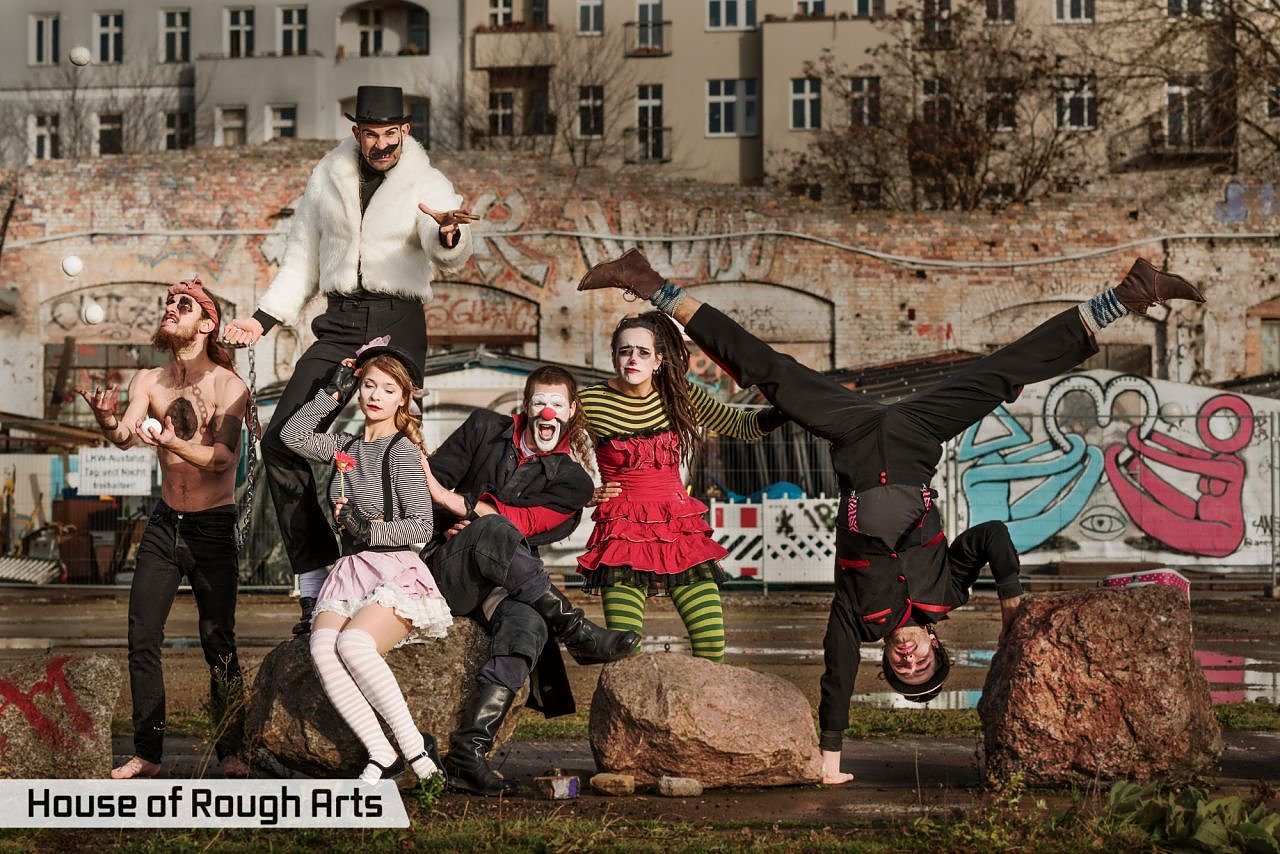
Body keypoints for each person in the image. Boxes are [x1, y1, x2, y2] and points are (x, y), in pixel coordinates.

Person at [579, 248, 1206, 784]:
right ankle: (1129, 294)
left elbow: (836, 675)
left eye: (901, 671)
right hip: (914, 436)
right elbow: (992, 537)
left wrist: (829, 760)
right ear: (935, 647)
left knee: (767, 369)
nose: (909, 662)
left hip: (852, 433)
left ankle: (646, 281)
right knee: (1003, 372)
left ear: (887, 660)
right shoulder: (949, 591)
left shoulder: (859, 618)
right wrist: (1011, 608)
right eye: (922, 667)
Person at [221, 85, 476, 634]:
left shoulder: (426, 181)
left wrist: (448, 233)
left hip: (397, 317)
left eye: (391, 134)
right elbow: (300, 260)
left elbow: (441, 238)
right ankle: (316, 583)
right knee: (282, 440)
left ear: (405, 130)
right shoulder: (327, 176)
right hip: (338, 322)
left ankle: (407, 582)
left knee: (393, 450)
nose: (382, 145)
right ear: (357, 132)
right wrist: (261, 321)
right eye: (372, 134)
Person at [421, 365, 640, 795]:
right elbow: (426, 487)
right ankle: (577, 632)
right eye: (540, 401)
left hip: (506, 583)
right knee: (493, 529)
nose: (547, 411)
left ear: (571, 411)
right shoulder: (484, 428)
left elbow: (521, 523)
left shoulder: (573, 482)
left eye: (557, 403)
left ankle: (468, 754)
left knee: (528, 624)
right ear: (526, 405)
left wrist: (466, 509)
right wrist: (448, 515)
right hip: (446, 566)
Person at [76, 278, 251, 779]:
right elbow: (126, 436)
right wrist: (107, 420)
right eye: (169, 302)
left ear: (208, 324)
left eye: (184, 304)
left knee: (218, 641)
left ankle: (232, 750)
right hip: (164, 523)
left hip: (212, 526)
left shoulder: (229, 387)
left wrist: (172, 443)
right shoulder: (148, 381)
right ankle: (148, 753)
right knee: (142, 636)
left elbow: (223, 460)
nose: (171, 308)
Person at [280, 338, 452, 785]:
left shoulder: (402, 451)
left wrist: (366, 527)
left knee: (354, 645)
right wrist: (335, 386)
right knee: (323, 648)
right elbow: (292, 435)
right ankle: (381, 753)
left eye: (388, 389)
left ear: (404, 398)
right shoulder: (347, 447)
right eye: (369, 385)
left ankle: (416, 752)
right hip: (351, 571)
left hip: (394, 568)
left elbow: (421, 527)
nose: (376, 396)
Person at [574, 312, 786, 662]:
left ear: (658, 360)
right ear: (613, 357)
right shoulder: (589, 402)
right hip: (622, 532)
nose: (633, 359)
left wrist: (789, 407)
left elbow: (741, 425)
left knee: (711, 643)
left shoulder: (680, 395)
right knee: (626, 651)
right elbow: (549, 447)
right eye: (625, 351)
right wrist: (581, 491)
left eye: (643, 352)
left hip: (679, 527)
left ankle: (704, 700)